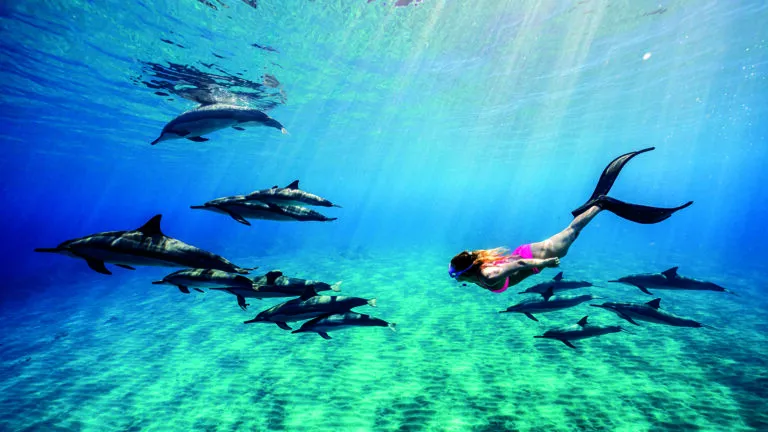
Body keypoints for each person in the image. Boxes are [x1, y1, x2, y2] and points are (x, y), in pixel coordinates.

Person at [448, 147, 693, 293]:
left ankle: (601, 204)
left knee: (574, 230)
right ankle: (592, 206)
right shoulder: (480, 268)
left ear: (465, 273)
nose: (457, 279)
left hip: (538, 256)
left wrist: (545, 263)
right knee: (571, 228)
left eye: (456, 276)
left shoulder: (488, 275)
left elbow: (518, 266)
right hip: (527, 252)